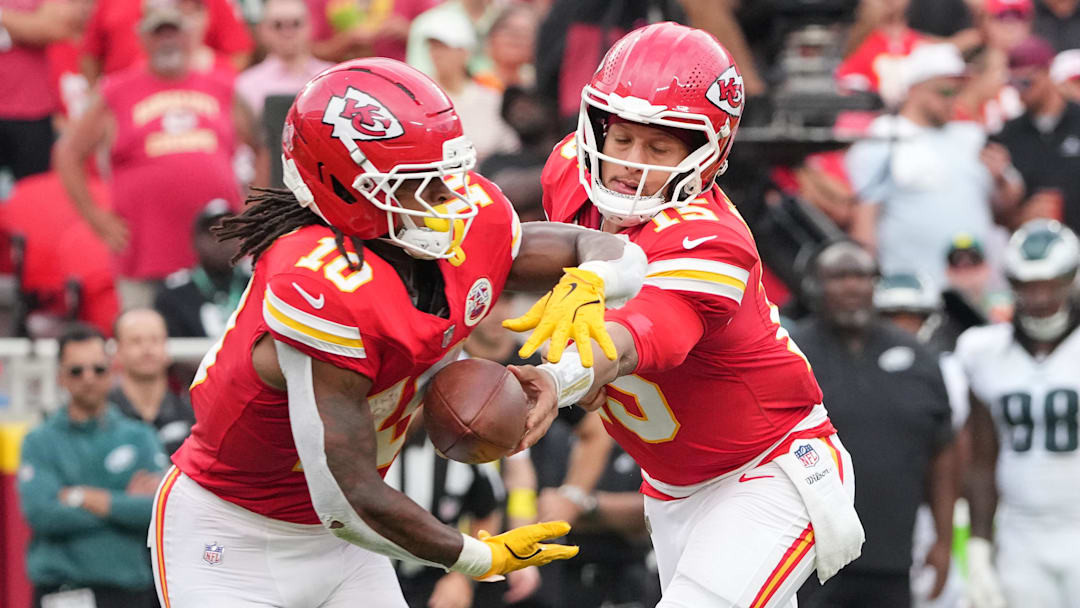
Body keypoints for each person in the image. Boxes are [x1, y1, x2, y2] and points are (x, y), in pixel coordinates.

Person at [155, 57, 650, 607]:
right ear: (347, 192)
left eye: (447, 173)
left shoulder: (452, 228)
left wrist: (593, 282)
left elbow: (608, 252)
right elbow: (346, 497)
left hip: (343, 547)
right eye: (419, 183)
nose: (446, 197)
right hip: (234, 536)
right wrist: (475, 557)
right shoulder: (321, 284)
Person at [529, 22, 864, 607]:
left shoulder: (712, 240)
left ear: (707, 155)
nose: (633, 164)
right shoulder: (570, 174)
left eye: (660, 148)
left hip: (768, 471)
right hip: (671, 488)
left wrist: (555, 379)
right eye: (624, 139)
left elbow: (644, 336)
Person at [54, 0, 268, 310]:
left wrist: (254, 208)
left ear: (192, 35)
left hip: (217, 255)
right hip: (145, 253)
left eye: (175, 32)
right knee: (145, 343)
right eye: (158, 33)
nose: (168, 41)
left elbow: (262, 144)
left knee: (219, 346)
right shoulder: (115, 92)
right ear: (141, 38)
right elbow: (68, 153)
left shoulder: (223, 86)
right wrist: (96, 217)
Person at [788, 242, 957, 608]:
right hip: (805, 559)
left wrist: (943, 541)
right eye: (839, 277)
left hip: (891, 556)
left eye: (862, 276)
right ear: (814, 286)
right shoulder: (788, 353)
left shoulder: (918, 357)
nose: (852, 287)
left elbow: (943, 454)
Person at [956, 219, 1080, 608]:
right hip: (1020, 532)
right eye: (1028, 285)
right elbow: (982, 458)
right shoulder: (983, 351)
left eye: (1050, 283)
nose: (1040, 297)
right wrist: (978, 546)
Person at [846, 42, 1023, 286]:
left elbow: (1007, 210)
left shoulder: (972, 136)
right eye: (944, 91)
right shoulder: (883, 136)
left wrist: (1000, 180)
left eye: (958, 91)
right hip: (909, 288)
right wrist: (867, 281)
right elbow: (865, 220)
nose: (953, 99)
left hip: (976, 288)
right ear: (915, 89)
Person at [16, 323, 166, 608]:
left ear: (112, 371)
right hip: (63, 591)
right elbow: (41, 513)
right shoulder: (38, 441)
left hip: (131, 591)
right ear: (60, 376)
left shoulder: (140, 436)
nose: (88, 378)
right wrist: (123, 504)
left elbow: (156, 510)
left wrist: (81, 497)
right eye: (76, 370)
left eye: (98, 369)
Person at [995, 36, 1080, 233]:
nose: (1019, 91)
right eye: (1012, 83)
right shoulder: (1008, 135)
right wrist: (1022, 215)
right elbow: (997, 217)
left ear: (1048, 73)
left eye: (1025, 82)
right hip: (1032, 250)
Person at [0, 0, 83, 180]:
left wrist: (2, 16)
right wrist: (24, 28)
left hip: (31, 114)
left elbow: (56, 28)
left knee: (33, 195)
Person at [156, 203, 252, 338]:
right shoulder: (174, 293)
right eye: (213, 233)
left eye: (230, 232)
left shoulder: (256, 283)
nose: (222, 241)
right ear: (195, 240)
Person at [110, 308, 196, 455]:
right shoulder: (102, 416)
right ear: (117, 351)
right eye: (135, 341)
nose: (147, 349)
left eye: (155, 340)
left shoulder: (192, 414)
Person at [235, 0, 332, 119]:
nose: (288, 32)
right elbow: (246, 135)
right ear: (262, 30)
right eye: (278, 25)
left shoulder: (331, 76)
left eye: (296, 24)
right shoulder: (247, 84)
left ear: (310, 26)